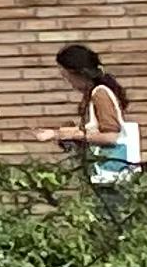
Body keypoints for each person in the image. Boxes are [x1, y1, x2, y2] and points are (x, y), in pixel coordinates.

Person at [43, 43, 137, 184]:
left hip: (111, 175)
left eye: (67, 76)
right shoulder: (93, 94)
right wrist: (59, 134)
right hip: (103, 174)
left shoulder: (100, 94)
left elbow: (111, 136)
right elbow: (95, 130)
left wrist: (73, 135)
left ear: (79, 73)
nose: (69, 82)